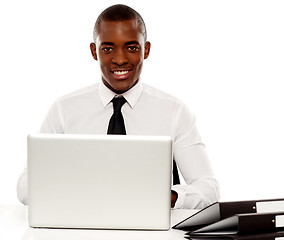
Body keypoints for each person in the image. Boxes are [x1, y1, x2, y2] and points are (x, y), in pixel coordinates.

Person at [17, 4, 220, 209]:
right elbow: (25, 186)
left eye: (132, 48)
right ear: (94, 51)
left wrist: (166, 197)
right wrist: (76, 193)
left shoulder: (175, 112)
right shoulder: (63, 110)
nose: (120, 59)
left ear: (146, 50)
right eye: (107, 48)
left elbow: (209, 188)